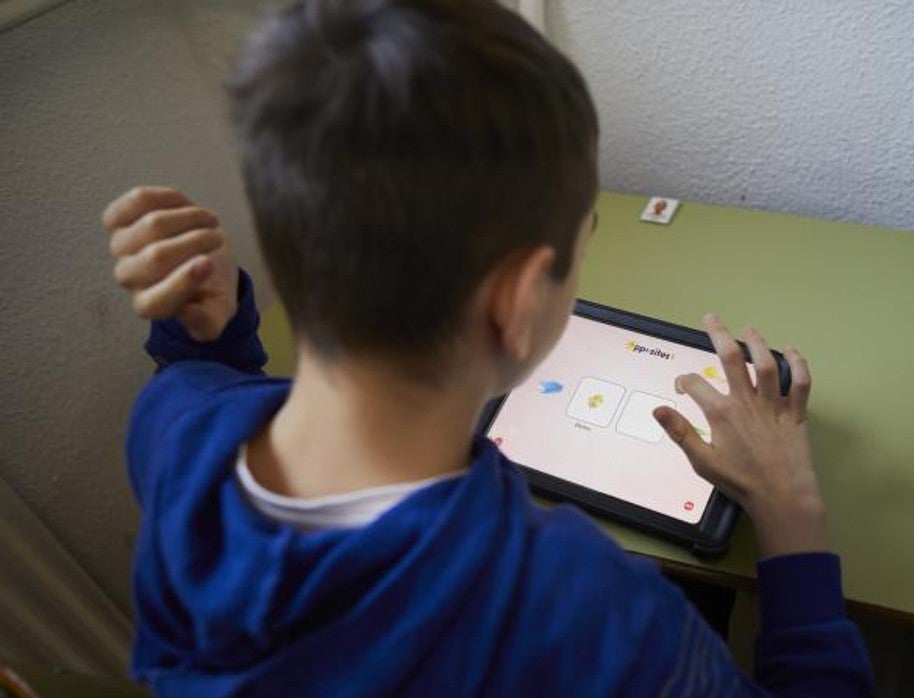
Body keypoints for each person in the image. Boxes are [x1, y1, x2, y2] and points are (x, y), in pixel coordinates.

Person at [100, 0, 873, 695]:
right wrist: (788, 504)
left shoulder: (174, 421)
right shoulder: (594, 616)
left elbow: (199, 384)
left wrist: (212, 337)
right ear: (517, 299)